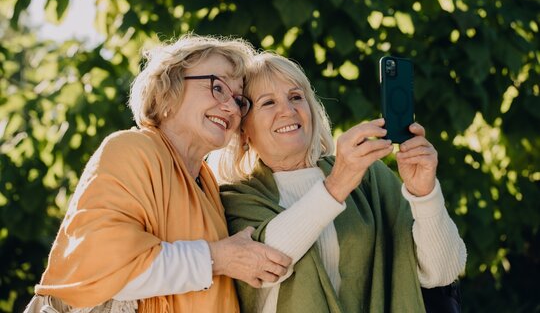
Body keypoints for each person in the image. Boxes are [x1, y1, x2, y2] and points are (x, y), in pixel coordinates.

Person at [26, 35, 292, 313]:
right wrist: (219, 258)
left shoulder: (208, 183)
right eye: (217, 87)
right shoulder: (131, 148)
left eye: (239, 100)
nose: (230, 107)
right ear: (169, 89)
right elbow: (108, 268)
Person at [219, 52, 467, 312]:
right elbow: (267, 261)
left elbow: (442, 272)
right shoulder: (237, 198)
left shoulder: (370, 177)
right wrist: (337, 185)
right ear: (244, 131)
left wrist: (424, 194)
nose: (288, 111)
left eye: (296, 97)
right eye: (268, 103)